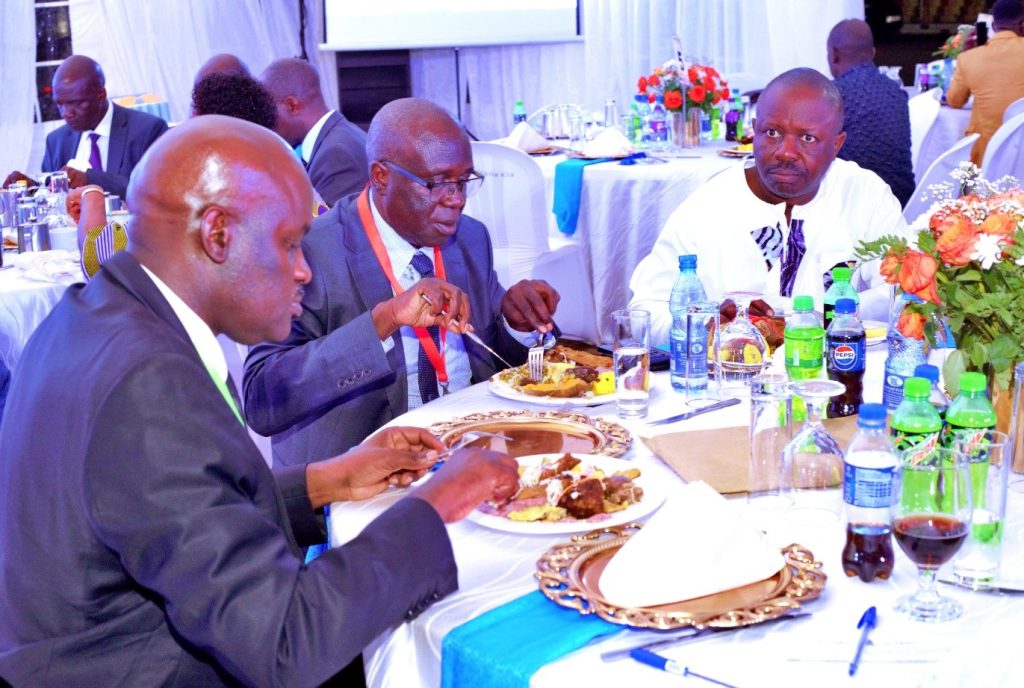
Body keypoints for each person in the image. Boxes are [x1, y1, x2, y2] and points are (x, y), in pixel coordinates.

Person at [0, 115, 519, 686]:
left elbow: (169, 504)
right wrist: (440, 500)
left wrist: (332, 480)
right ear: (217, 233)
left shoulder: (93, 314)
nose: (302, 270)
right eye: (291, 242)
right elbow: (286, 644)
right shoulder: (149, 383)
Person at [243, 98, 560, 467]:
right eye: (437, 183)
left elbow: (495, 360)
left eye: (463, 181)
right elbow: (263, 398)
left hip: (470, 448)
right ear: (381, 177)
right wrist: (385, 320)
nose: (456, 200)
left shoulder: (470, 238)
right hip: (365, 470)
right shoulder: (310, 253)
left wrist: (515, 325)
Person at [630, 68, 909, 345]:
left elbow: (905, 291)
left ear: (837, 144)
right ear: (754, 130)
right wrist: (708, 324)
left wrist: (815, 317)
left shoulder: (864, 196)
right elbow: (643, 312)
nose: (785, 152)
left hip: (836, 376)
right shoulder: (708, 206)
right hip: (733, 381)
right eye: (772, 132)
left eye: (807, 138)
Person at [3, 55, 168, 200]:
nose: (66, 113)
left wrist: (91, 180)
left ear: (100, 94)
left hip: (126, 233)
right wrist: (33, 188)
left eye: (76, 103)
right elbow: (54, 197)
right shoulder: (56, 141)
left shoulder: (148, 129)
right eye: (60, 104)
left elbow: (156, 191)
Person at [826, 18, 915, 206]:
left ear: (833, 54)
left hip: (859, 206)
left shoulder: (832, 96)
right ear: (873, 52)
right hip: (902, 201)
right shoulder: (896, 92)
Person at [260, 57, 369, 206]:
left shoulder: (336, 154)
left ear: (292, 106)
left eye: (268, 112)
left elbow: (330, 228)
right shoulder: (333, 141)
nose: (266, 123)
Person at [947, 0, 1024, 165]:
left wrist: (967, 52)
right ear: (1022, 24)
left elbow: (954, 101)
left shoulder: (969, 58)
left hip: (987, 156)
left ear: (994, 25)